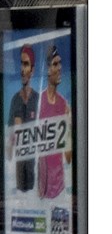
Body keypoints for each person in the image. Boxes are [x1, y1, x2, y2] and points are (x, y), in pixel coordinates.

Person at [38, 44, 71, 201]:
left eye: (60, 63)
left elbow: (69, 156)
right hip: (41, 188)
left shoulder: (64, 105)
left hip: (60, 187)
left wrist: (68, 126)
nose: (60, 68)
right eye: (55, 64)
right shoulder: (39, 102)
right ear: (47, 70)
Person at [9, 44, 41, 195]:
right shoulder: (15, 99)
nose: (22, 69)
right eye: (21, 64)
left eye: (26, 64)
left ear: (32, 70)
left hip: (35, 163)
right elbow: (10, 134)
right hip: (19, 162)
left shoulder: (38, 99)